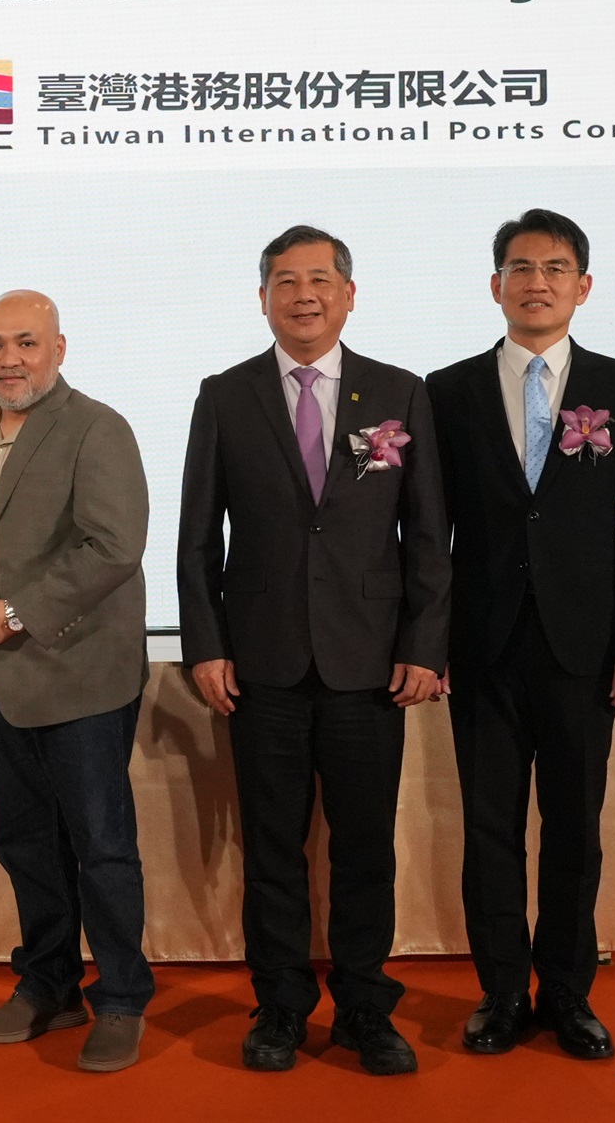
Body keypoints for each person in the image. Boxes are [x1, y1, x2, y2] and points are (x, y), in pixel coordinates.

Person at [177, 226, 450, 1076]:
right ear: (262, 297)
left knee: (366, 845)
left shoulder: (399, 392)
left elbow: (429, 535)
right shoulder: (225, 395)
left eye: (321, 280)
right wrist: (206, 645)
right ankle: (281, 1007)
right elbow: (196, 540)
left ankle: (367, 1006)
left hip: (370, 663)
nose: (304, 294)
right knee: (273, 846)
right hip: (262, 665)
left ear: (349, 293)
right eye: (286, 281)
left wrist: (424, 643)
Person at [425, 209, 615, 1060]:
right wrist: (428, 641)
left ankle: (566, 992)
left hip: (585, 649)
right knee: (488, 828)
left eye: (556, 268)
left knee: (574, 824)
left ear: (583, 286)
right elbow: (429, 530)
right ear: (495, 285)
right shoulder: (445, 390)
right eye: (521, 267)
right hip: (482, 647)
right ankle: (500, 992)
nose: (538, 281)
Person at [0, 290, 154, 1073]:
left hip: (79, 671)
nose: (8, 359)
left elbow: (114, 547)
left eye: (25, 342)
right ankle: (49, 985)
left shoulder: (99, 426)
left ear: (59, 347)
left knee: (101, 845)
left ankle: (121, 997)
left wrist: (15, 614)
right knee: (24, 840)